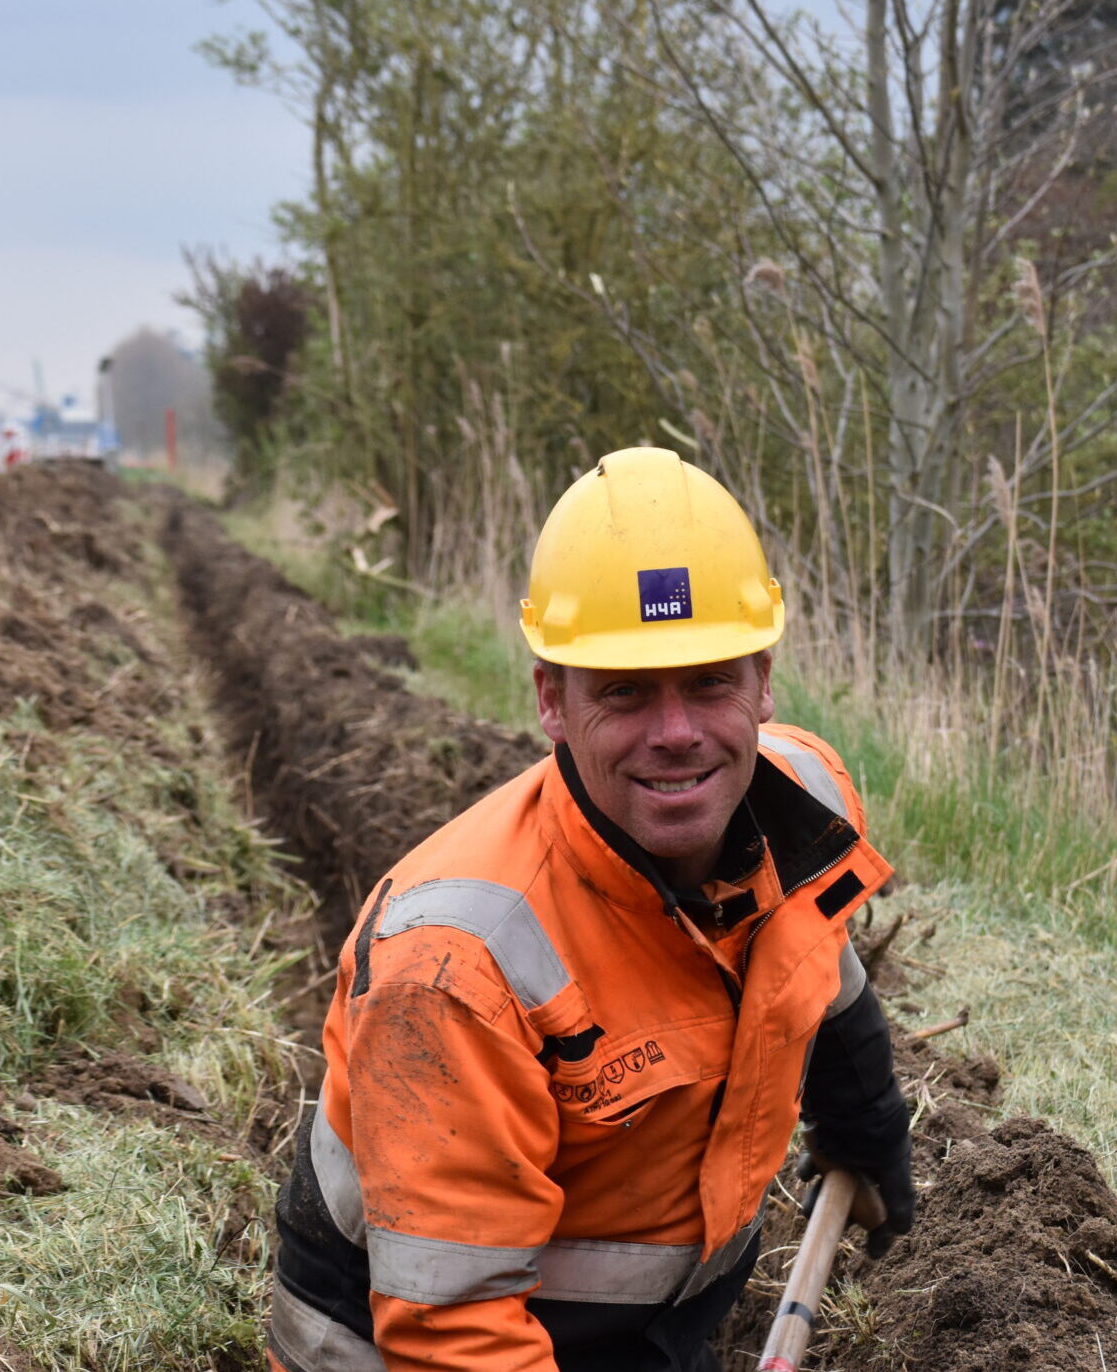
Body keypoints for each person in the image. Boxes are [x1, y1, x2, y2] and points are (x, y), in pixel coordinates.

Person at [268, 448, 917, 1372]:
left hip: (647, 1324)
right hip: (400, 1339)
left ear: (764, 683)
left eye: (709, 681)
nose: (678, 733)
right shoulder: (456, 960)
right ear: (552, 701)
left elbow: (813, 960)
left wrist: (868, 1122)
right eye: (624, 692)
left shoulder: (802, 797)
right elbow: (456, 1333)